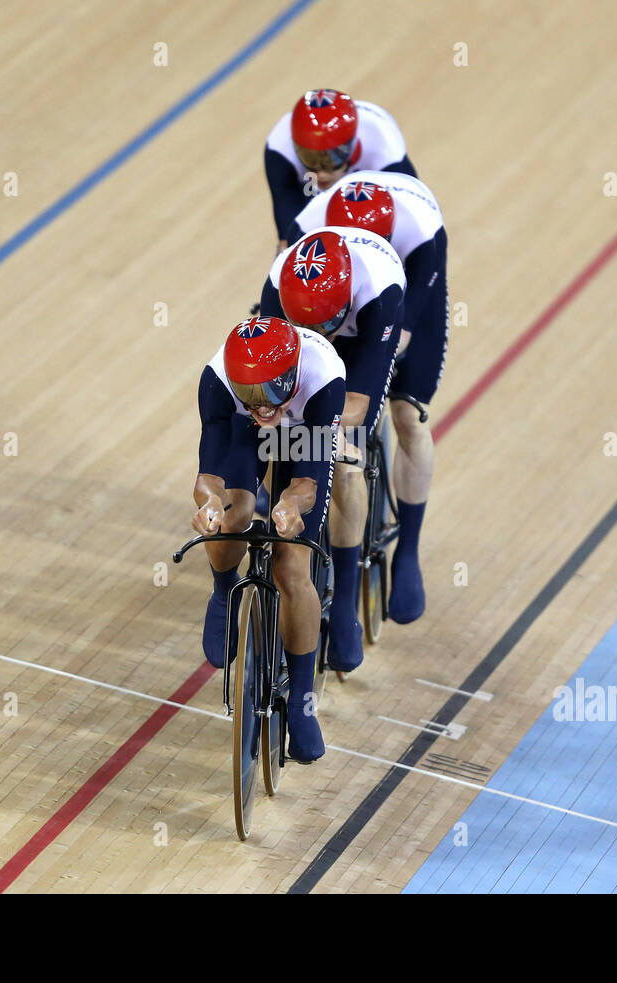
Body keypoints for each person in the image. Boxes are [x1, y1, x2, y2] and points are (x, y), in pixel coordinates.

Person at [285, 173, 447, 623]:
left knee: (407, 414)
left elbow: (395, 340)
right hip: (327, 301)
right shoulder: (302, 237)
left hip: (392, 303)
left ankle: (408, 552)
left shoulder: (418, 235)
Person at [194, 316, 346, 762]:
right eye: (251, 396)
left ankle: (301, 700)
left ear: (292, 374)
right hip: (245, 436)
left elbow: (307, 485)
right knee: (233, 513)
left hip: (306, 428)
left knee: (291, 564)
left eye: (270, 394)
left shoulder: (323, 379)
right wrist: (208, 505)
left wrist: (289, 506)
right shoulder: (219, 382)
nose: (263, 407)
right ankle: (224, 593)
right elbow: (210, 478)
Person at [258, 228, 405, 672]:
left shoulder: (380, 294)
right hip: (307, 333)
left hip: (361, 341)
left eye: (323, 324)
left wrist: (325, 431)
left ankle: (344, 601)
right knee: (274, 436)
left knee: (344, 459)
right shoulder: (276, 287)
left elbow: (357, 406)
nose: (316, 334)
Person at [264, 89, 417, 247]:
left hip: (374, 193)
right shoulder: (279, 148)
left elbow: (412, 219)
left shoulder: (383, 146)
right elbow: (287, 230)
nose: (321, 174)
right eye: (308, 158)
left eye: (332, 158)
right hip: (309, 191)